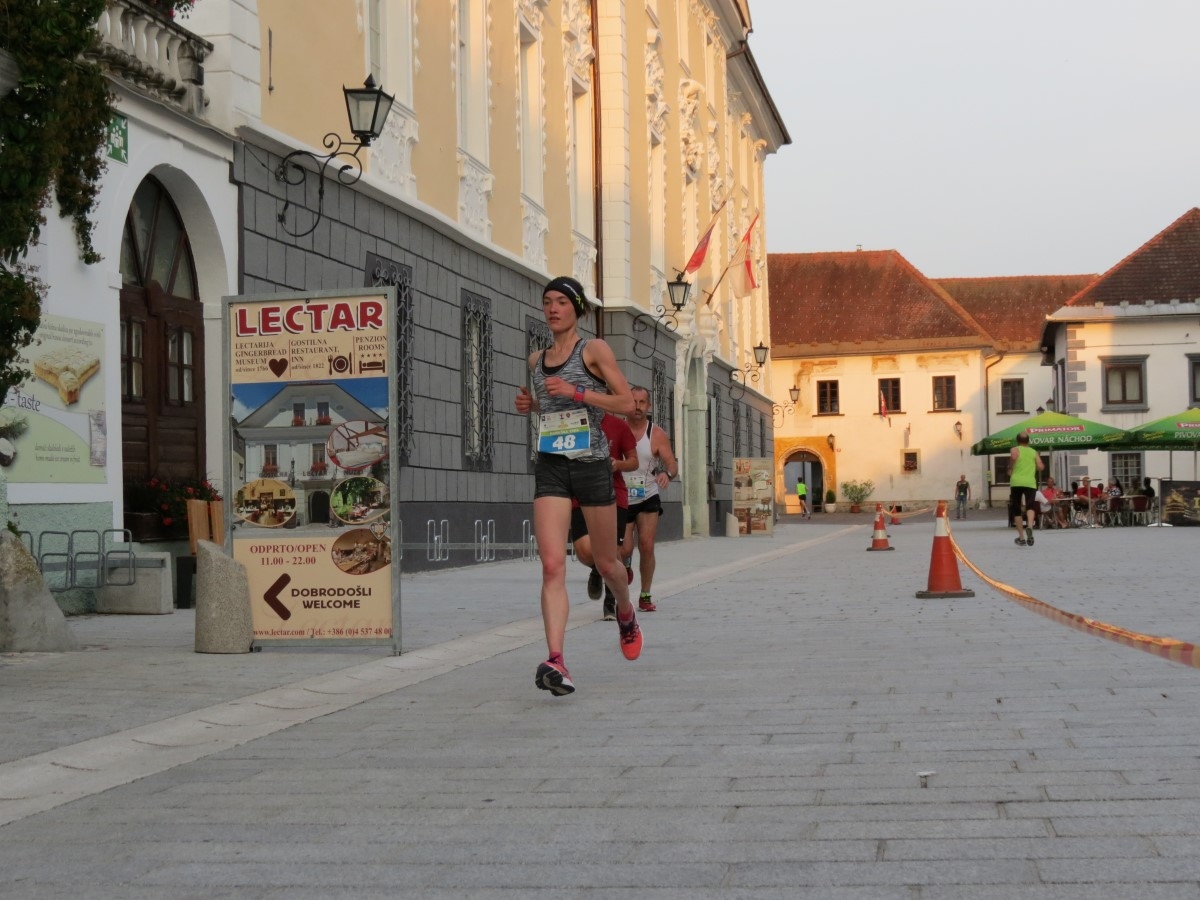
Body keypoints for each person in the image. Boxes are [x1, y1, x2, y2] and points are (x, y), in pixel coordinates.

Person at [514, 276, 640, 697]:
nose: (553, 309)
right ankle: (556, 659)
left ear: (577, 309)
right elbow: (549, 408)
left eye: (562, 302)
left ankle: (625, 611)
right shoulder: (536, 360)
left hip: (591, 465)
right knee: (552, 565)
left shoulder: (594, 350)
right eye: (547, 302)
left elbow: (627, 403)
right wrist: (531, 405)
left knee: (607, 564)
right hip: (551, 465)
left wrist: (578, 391)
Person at [575, 413, 638, 621]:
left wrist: (618, 464)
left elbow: (633, 461)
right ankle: (597, 568)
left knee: (614, 551)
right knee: (584, 551)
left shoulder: (618, 425)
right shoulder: (574, 420)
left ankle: (611, 603)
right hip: (580, 493)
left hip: (613, 493)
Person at [623, 384, 679, 612]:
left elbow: (672, 464)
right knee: (625, 548)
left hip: (647, 494)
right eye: (633, 402)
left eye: (642, 402)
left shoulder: (656, 434)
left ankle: (645, 595)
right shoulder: (618, 429)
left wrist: (667, 474)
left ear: (649, 406)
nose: (637, 407)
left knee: (646, 545)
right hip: (622, 496)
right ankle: (626, 563)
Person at [1009, 431, 1043, 546]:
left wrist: (1010, 467)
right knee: (1030, 506)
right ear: (1028, 441)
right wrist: (1033, 467)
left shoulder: (1015, 449)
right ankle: (1030, 526)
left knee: (1017, 509)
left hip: (1016, 482)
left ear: (1017, 441)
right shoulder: (1034, 452)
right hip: (1030, 482)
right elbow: (1040, 466)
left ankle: (1022, 537)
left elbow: (1013, 458)